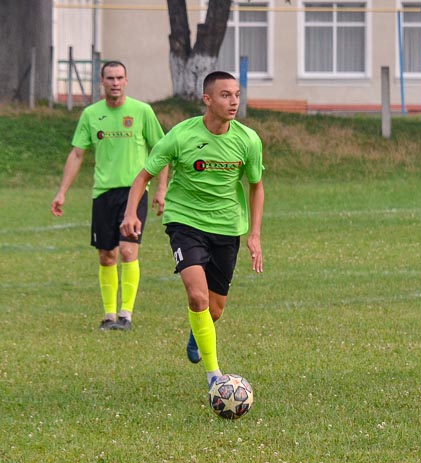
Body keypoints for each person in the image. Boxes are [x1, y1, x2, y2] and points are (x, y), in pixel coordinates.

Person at [119, 71, 265, 389]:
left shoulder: (248, 140)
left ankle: (197, 333)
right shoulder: (181, 135)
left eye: (237, 94)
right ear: (207, 99)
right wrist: (131, 212)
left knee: (214, 308)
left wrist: (254, 234)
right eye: (225, 95)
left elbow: (256, 186)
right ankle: (215, 377)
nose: (234, 101)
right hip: (185, 223)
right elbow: (143, 176)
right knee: (197, 297)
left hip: (227, 227)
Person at [51, 61, 168, 331]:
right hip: (103, 193)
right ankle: (108, 315)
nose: (115, 82)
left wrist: (161, 189)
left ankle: (126, 314)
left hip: (134, 192)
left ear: (126, 80)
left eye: (119, 77)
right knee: (106, 256)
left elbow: (161, 151)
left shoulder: (142, 111)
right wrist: (61, 192)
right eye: (110, 78)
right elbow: (77, 153)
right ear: (101, 81)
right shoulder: (91, 114)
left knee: (128, 250)